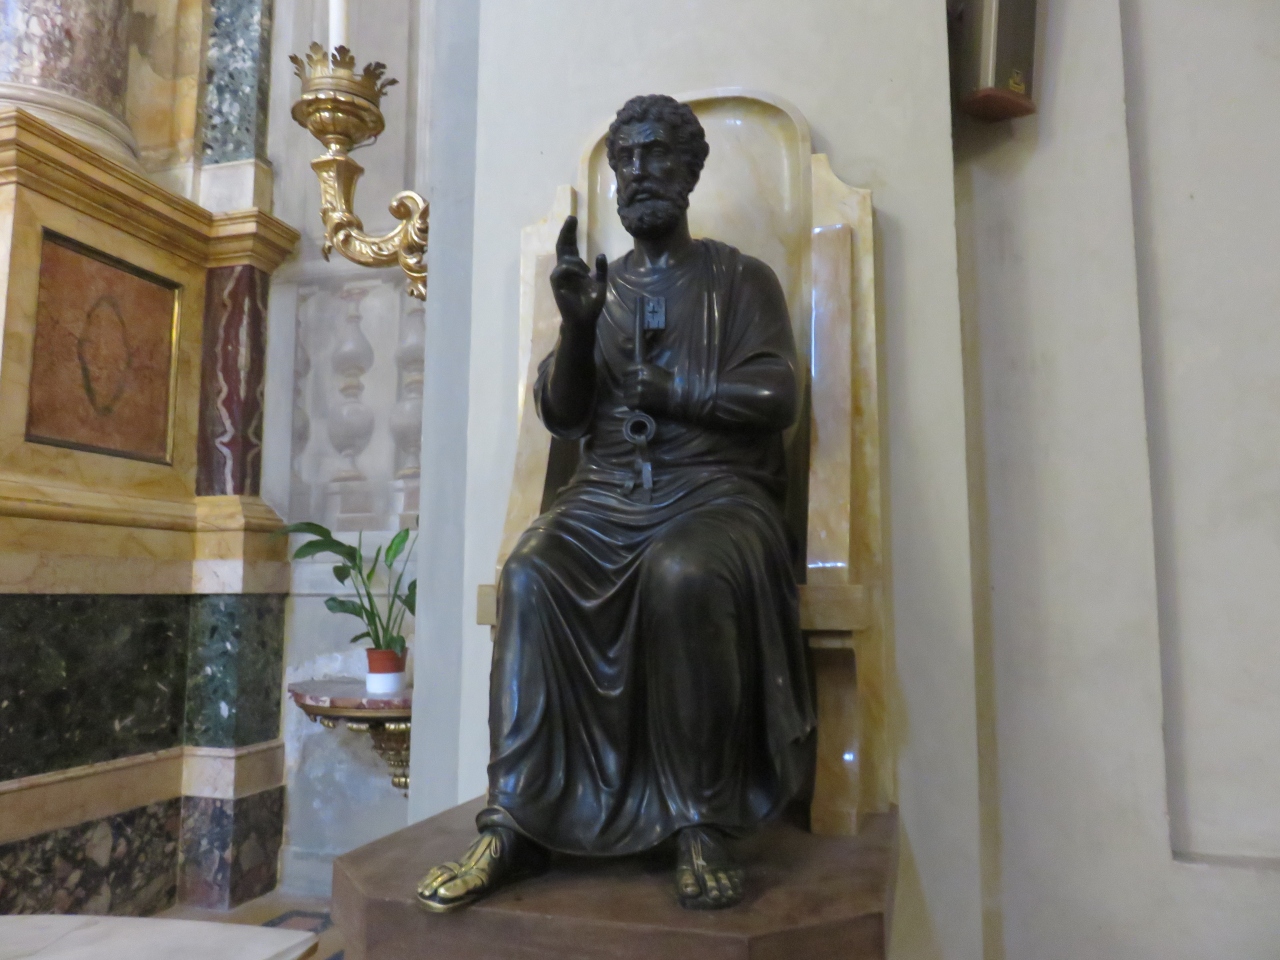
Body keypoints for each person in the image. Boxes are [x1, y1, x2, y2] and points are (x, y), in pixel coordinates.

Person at [417, 93, 813, 913]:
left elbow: (777, 396)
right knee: (530, 573)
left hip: (716, 494)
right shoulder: (598, 287)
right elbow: (564, 417)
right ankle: (514, 820)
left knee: (683, 574)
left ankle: (699, 819)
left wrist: (678, 389)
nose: (640, 173)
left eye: (658, 155)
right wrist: (575, 326)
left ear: (690, 171)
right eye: (627, 159)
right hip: (605, 500)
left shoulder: (742, 281)